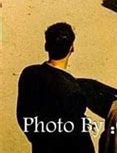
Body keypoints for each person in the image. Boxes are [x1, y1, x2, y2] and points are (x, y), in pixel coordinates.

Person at [17, 22, 94, 153]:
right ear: (72, 49)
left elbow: (23, 116)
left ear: (46, 46)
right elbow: (79, 140)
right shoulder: (73, 92)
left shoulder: (29, 74)